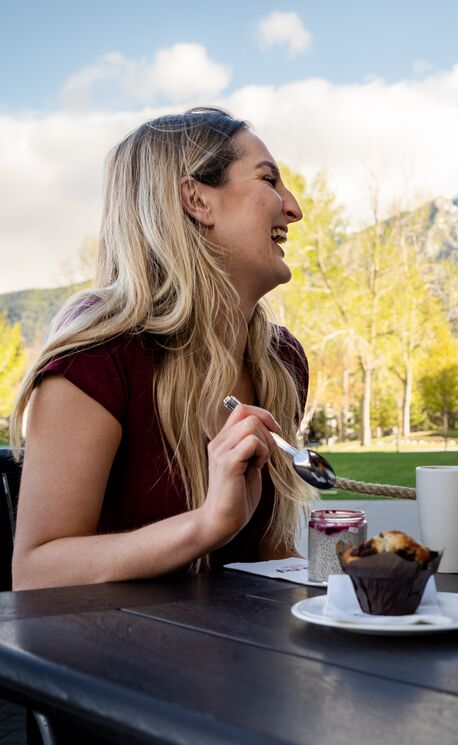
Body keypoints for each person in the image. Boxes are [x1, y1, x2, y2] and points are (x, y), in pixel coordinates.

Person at [9, 107, 313, 589]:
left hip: (242, 657)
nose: (293, 207)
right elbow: (36, 571)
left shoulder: (281, 361)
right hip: (112, 655)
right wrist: (207, 524)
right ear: (196, 199)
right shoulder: (98, 352)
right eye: (269, 180)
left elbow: (268, 559)